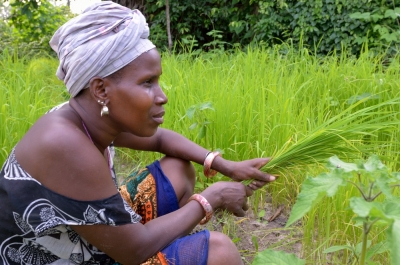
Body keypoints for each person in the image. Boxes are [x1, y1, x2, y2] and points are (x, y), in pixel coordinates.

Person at [0, 2, 276, 265]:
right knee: (219, 252)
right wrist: (211, 199)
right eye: (147, 83)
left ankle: (172, 243)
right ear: (101, 90)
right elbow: (132, 251)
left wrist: (222, 164)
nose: (162, 96)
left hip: (91, 239)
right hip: (61, 256)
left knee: (179, 167)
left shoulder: (82, 116)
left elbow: (160, 139)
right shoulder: (64, 143)